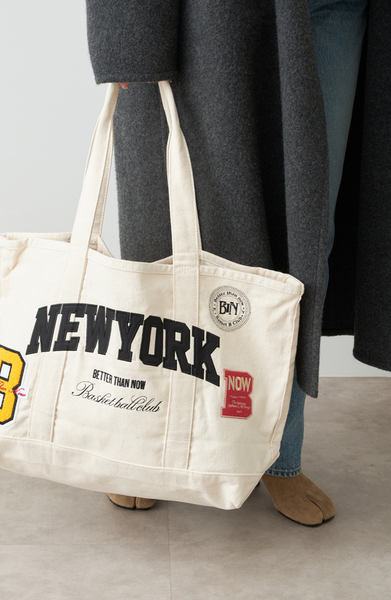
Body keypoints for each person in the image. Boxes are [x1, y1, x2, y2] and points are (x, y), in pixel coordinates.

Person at [85, 0, 390, 525]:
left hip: (330, 11)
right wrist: (126, 38)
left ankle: (277, 452)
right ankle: (146, 440)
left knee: (306, 235)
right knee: (165, 230)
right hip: (203, 15)